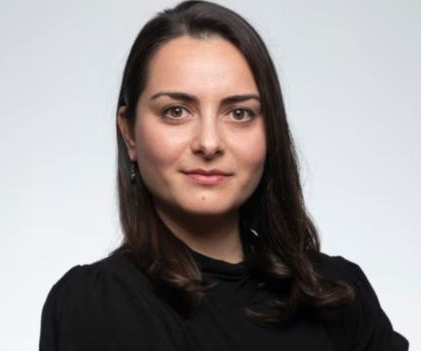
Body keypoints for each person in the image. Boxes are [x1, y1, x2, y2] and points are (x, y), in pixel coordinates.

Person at [39, 1, 409, 350]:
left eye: (239, 113)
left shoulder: (339, 292)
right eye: (176, 111)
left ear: (270, 132)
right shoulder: (97, 303)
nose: (209, 143)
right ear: (130, 132)